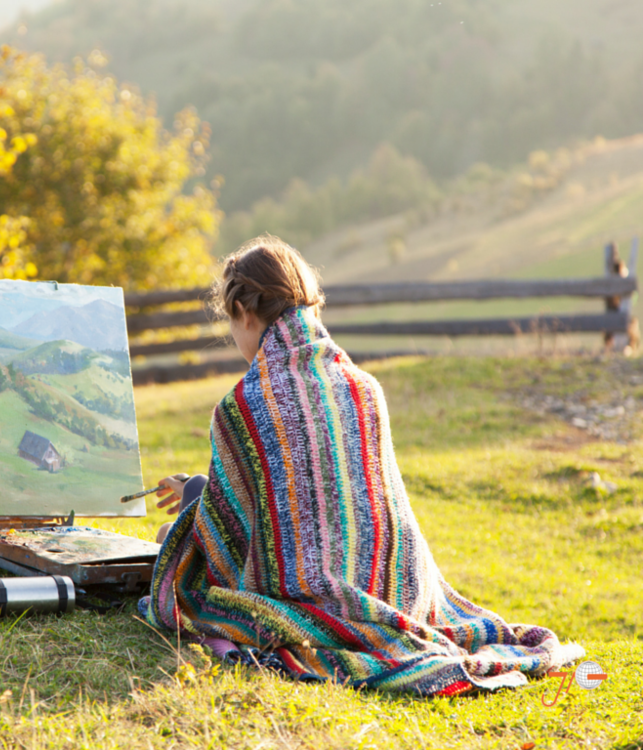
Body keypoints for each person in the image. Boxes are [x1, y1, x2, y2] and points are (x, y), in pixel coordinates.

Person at [141, 234, 583, 695]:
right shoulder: (363, 387)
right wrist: (200, 488)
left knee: (174, 561)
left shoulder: (243, 405)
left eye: (231, 323)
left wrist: (187, 522)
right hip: (403, 593)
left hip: (315, 602)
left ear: (245, 314)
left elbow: (231, 542)